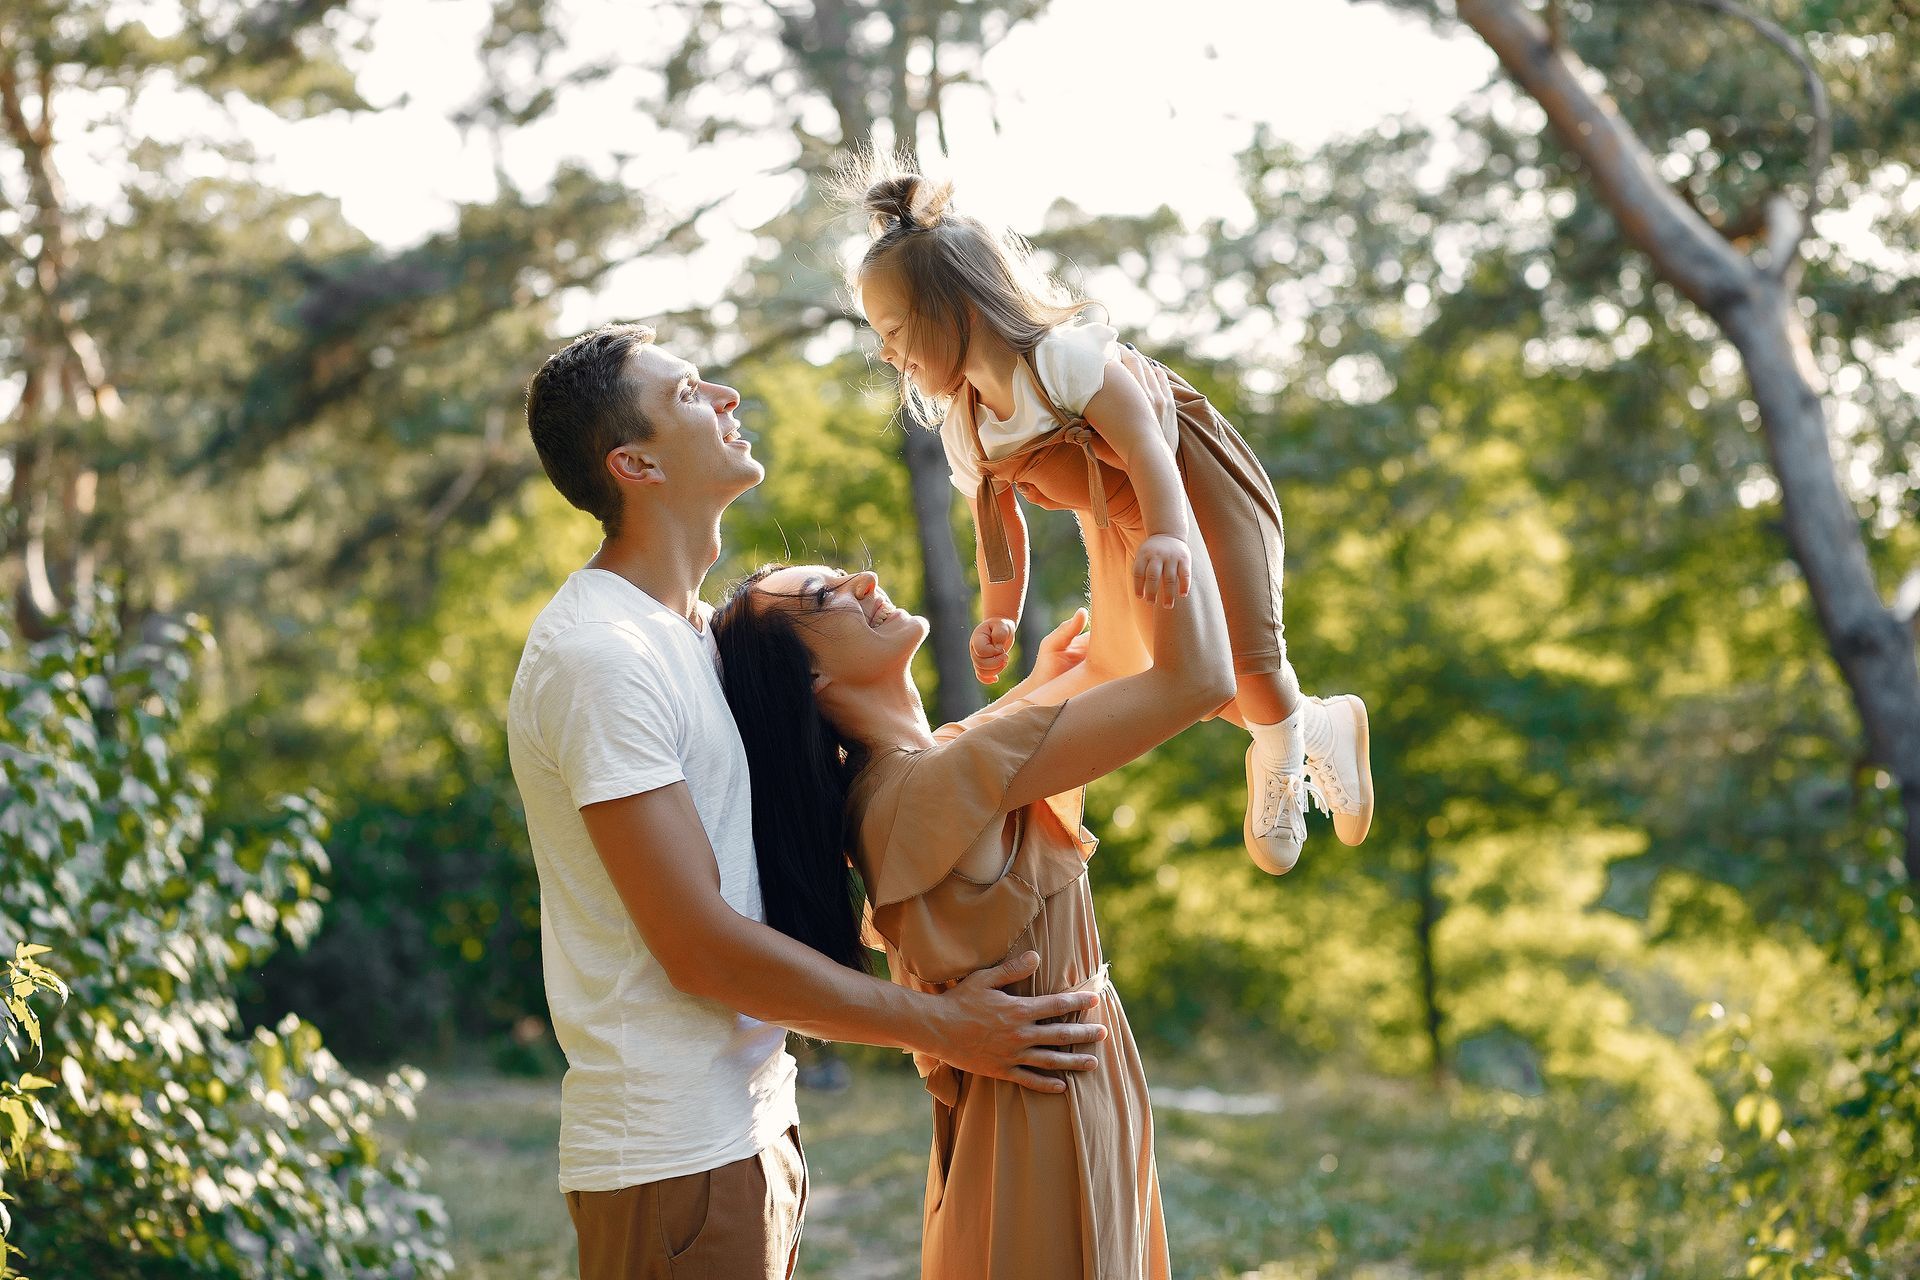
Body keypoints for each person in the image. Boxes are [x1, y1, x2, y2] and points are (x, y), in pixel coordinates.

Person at [506, 323, 1112, 1280]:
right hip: (673, 1153)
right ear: (635, 463)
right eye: (691, 395)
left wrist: (1033, 695)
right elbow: (695, 943)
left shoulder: (695, 637)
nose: (727, 400)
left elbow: (872, 791)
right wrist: (939, 1028)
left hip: (749, 1129)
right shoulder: (599, 659)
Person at [710, 362, 1236, 1278]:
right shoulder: (938, 779)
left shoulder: (933, 765)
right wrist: (1147, 466)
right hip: (1047, 1107)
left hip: (1061, 1088)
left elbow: (1119, 658)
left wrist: (1096, 465)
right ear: (813, 684)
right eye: (828, 597)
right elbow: (1195, 681)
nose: (865, 580)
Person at [845, 159, 1376, 874]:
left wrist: (1166, 532)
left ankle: (1279, 759)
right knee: (1154, 669)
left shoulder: (1063, 361)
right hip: (1124, 523)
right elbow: (997, 531)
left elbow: (1148, 443)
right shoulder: (967, 428)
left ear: (959, 310)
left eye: (895, 329)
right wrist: (1000, 614)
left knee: (1248, 652)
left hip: (1191, 484)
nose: (888, 353)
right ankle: (1322, 725)